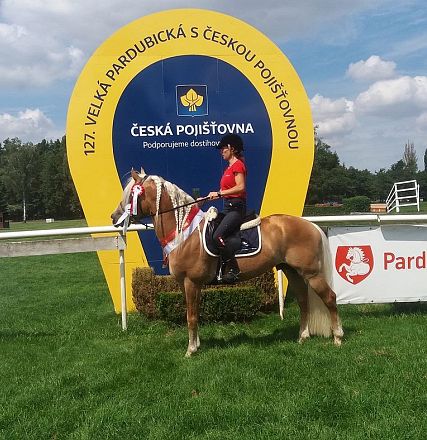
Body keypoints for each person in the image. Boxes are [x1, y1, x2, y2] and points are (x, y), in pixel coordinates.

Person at [206, 133, 247, 283]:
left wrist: (220, 193)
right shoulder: (229, 168)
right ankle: (217, 271)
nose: (221, 151)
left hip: (236, 209)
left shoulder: (238, 165)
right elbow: (225, 192)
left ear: (231, 148)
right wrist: (211, 197)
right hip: (227, 207)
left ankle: (234, 269)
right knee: (210, 230)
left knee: (218, 236)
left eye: (223, 148)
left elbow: (241, 187)